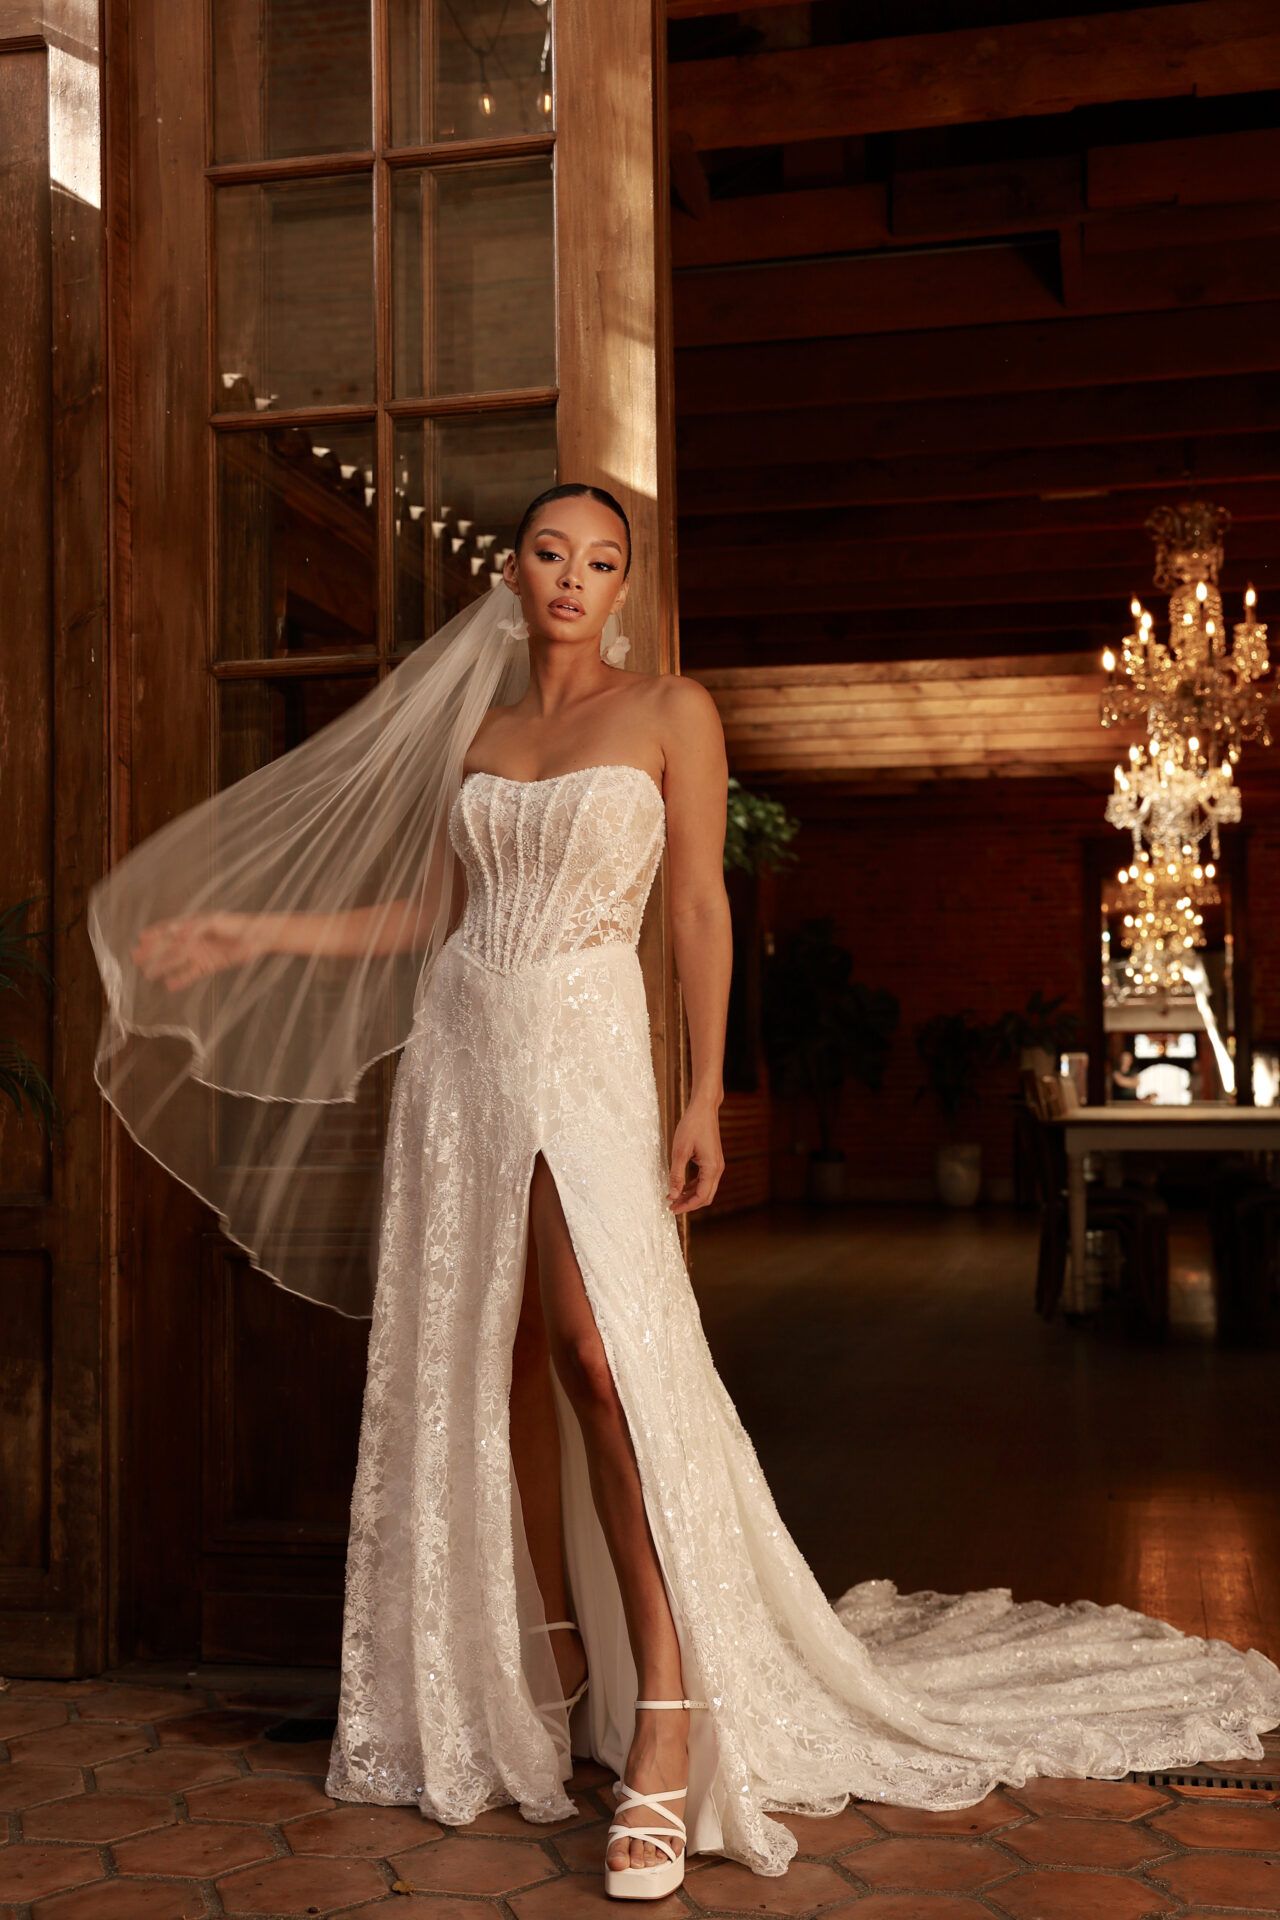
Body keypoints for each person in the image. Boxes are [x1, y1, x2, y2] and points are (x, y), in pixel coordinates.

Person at [93, 484, 1280, 1903]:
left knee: (606, 1361)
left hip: (591, 1054)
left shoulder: (673, 713)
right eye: (551, 554)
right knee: (482, 1370)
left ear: (626, 587)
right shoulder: (479, 735)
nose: (572, 578)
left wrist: (706, 1089)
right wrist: (246, 933)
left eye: (601, 561)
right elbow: (426, 921)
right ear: (516, 574)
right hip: (464, 1058)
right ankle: (538, 1682)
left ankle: (668, 1714)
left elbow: (700, 909)